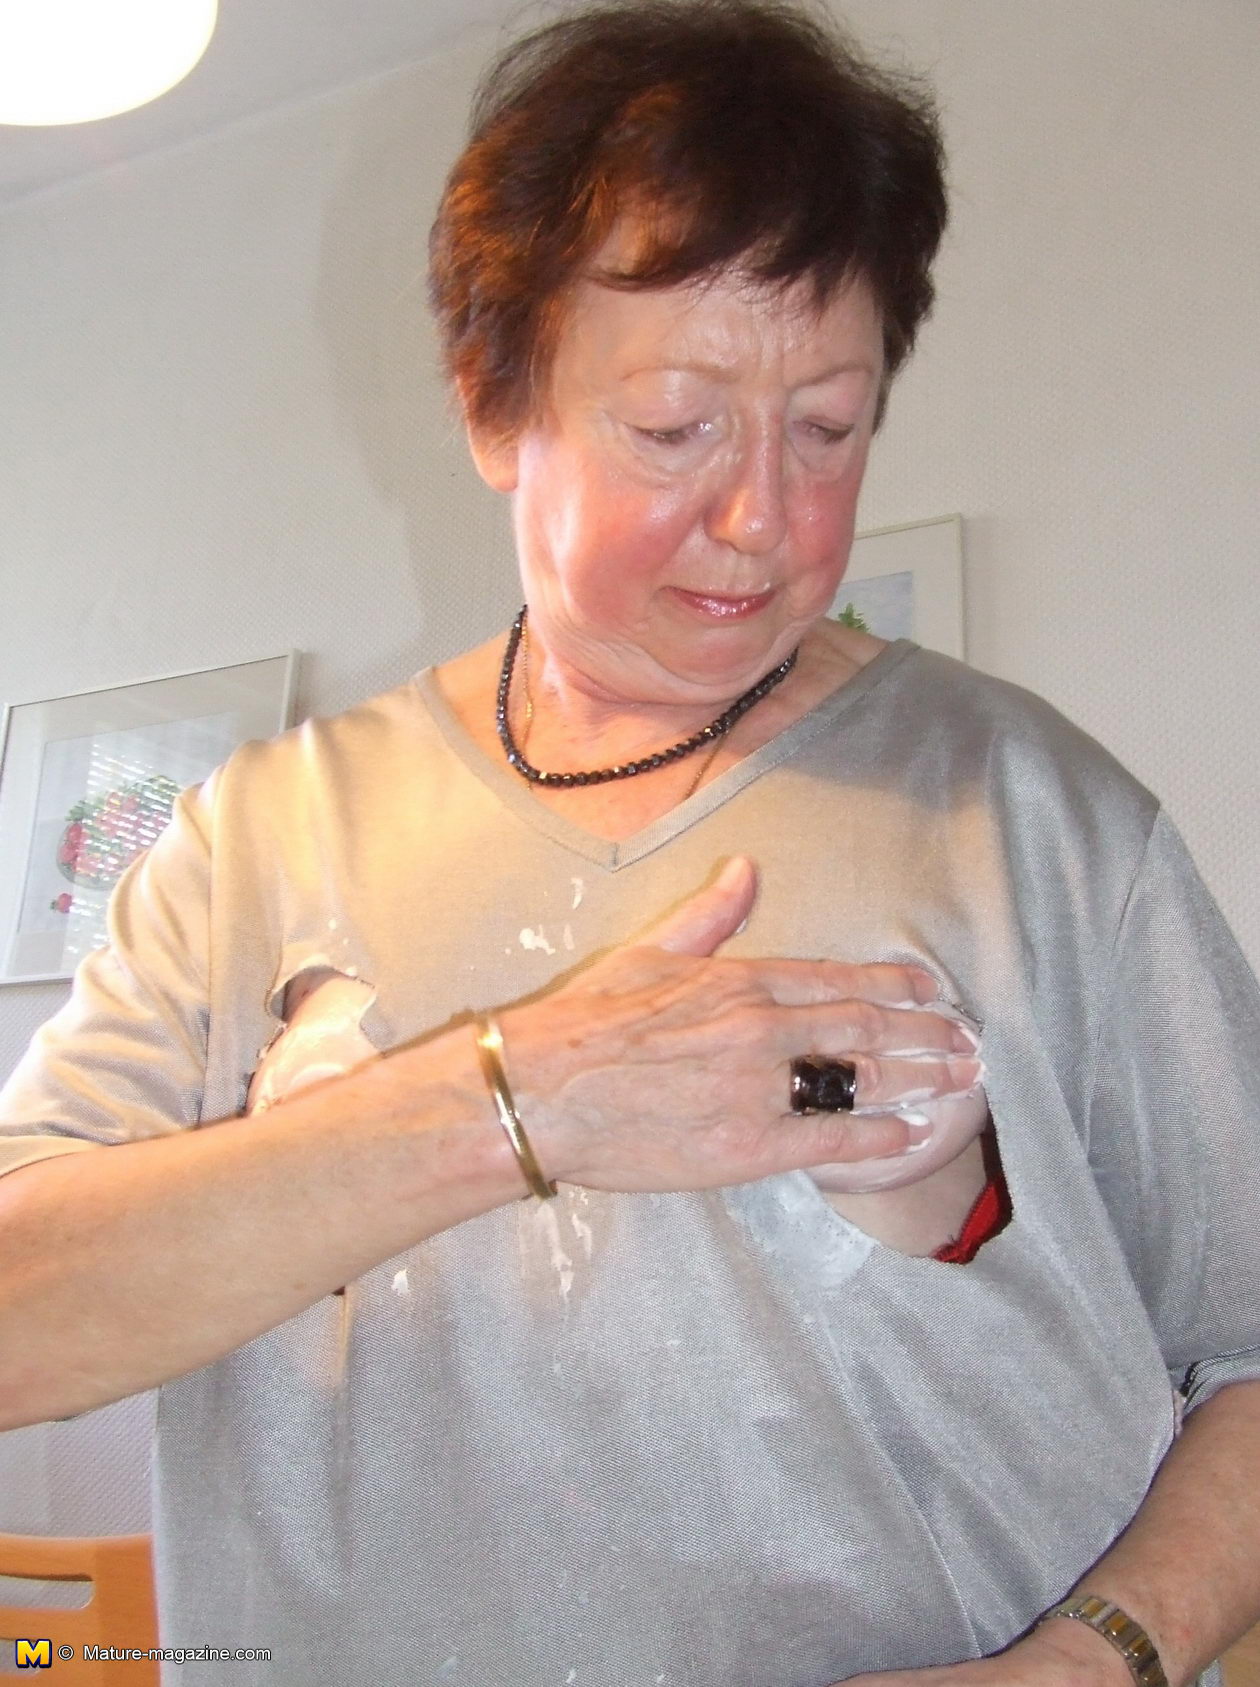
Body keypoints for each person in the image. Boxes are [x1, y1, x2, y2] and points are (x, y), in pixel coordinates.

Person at [2, 2, 1259, 1684]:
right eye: (675, 428)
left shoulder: (1036, 815)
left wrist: (1099, 1657)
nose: (762, 517)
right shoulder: (262, 842)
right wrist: (510, 1101)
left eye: (829, 426)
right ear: (492, 407)